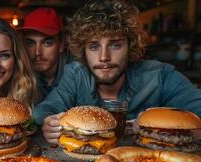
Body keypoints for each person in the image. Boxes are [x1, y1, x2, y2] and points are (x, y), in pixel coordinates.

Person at [35, 0, 201, 144]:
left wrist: (156, 122)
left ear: (131, 46)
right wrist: (50, 123)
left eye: (115, 45)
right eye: (94, 46)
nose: (104, 57)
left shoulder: (159, 75)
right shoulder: (76, 74)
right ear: (83, 51)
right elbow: (44, 110)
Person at [19, 7, 70, 101]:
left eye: (47, 43)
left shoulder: (77, 74)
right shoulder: (20, 75)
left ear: (61, 44)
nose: (37, 52)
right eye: (31, 43)